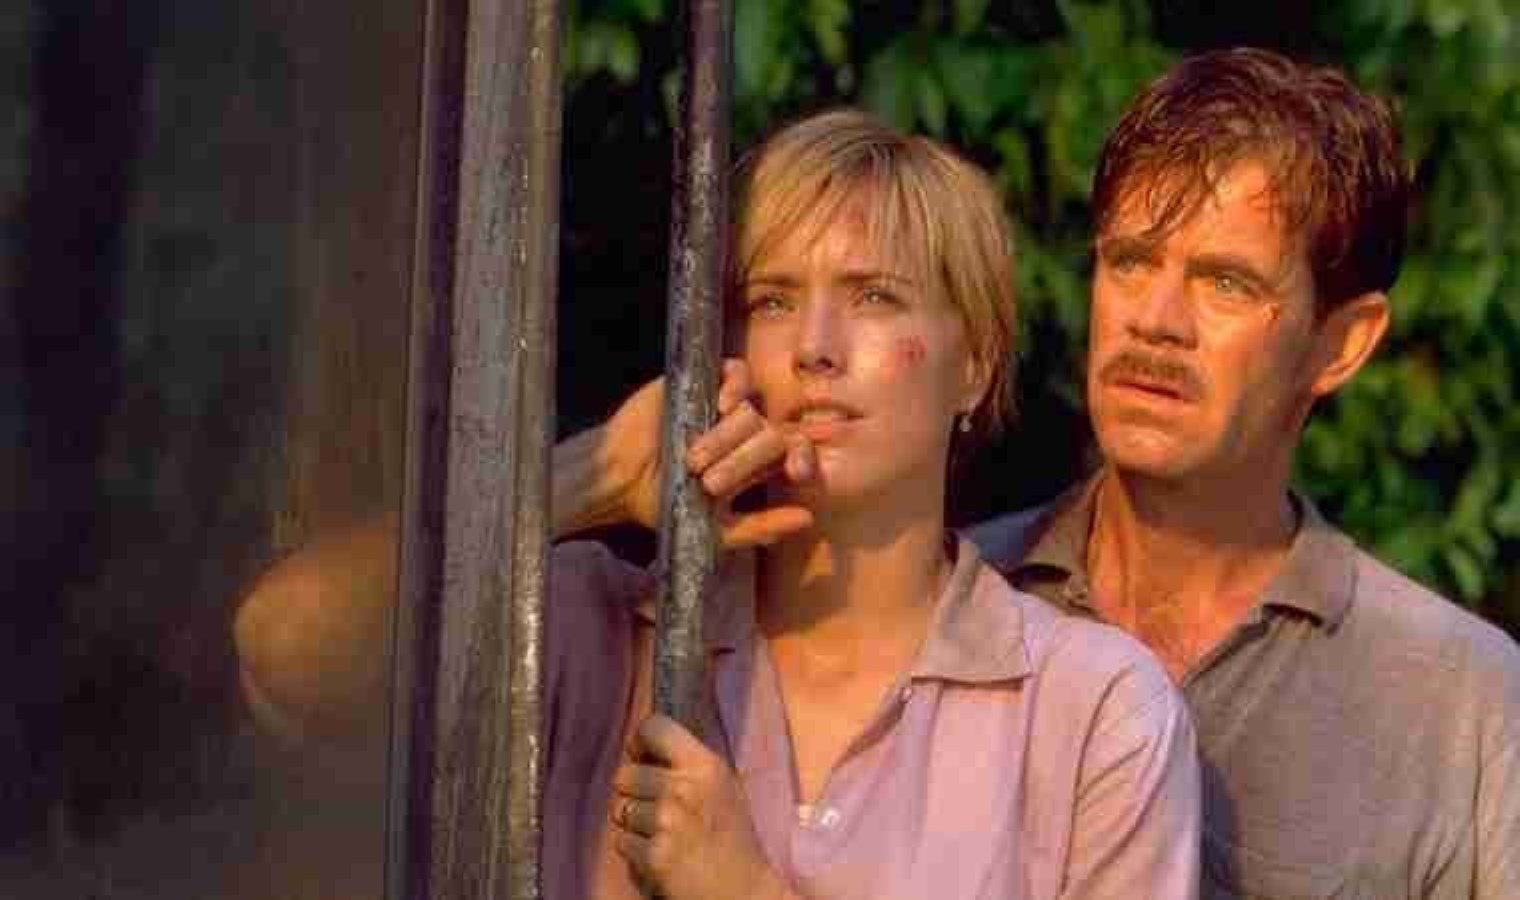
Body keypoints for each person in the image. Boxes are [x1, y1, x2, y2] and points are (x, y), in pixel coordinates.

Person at [235, 109, 1201, 898]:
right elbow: (284, 646)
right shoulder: (591, 629)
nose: (815, 346)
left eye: (873, 297)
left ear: (975, 364)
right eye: (773, 300)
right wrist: (588, 478)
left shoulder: (1090, 711)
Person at [968, 48, 1520, 899]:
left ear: (1342, 344)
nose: (1156, 321)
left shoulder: (1466, 701)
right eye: (1131, 262)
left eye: (1225, 283)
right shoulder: (955, 599)